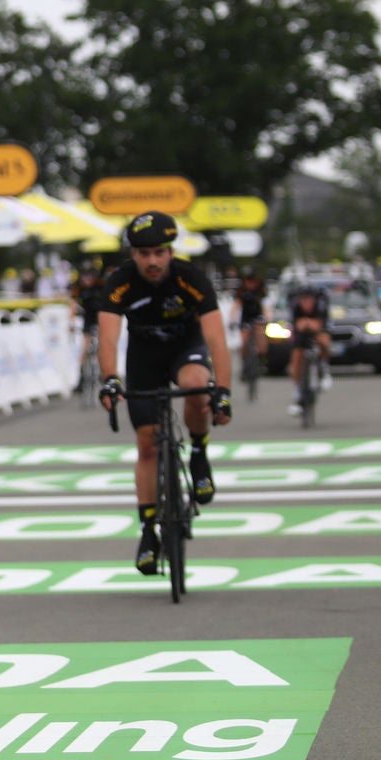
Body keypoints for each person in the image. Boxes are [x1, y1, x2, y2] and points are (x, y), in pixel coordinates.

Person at [94, 211, 233, 576]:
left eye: (159, 252)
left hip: (185, 349)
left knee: (195, 385)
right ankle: (148, 531)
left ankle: (199, 453)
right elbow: (107, 338)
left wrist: (224, 391)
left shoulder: (191, 278)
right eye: (144, 254)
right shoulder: (120, 282)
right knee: (147, 444)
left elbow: (217, 339)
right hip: (144, 358)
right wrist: (109, 379)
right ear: (133, 256)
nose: (152, 261)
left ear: (170, 252)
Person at [285, 280, 331, 415]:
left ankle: (324, 369)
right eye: (303, 300)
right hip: (301, 331)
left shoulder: (321, 304)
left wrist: (309, 323)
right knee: (296, 356)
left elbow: (319, 325)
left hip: (318, 328)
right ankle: (298, 392)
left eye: (309, 299)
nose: (306, 303)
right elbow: (296, 325)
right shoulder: (294, 305)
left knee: (324, 340)